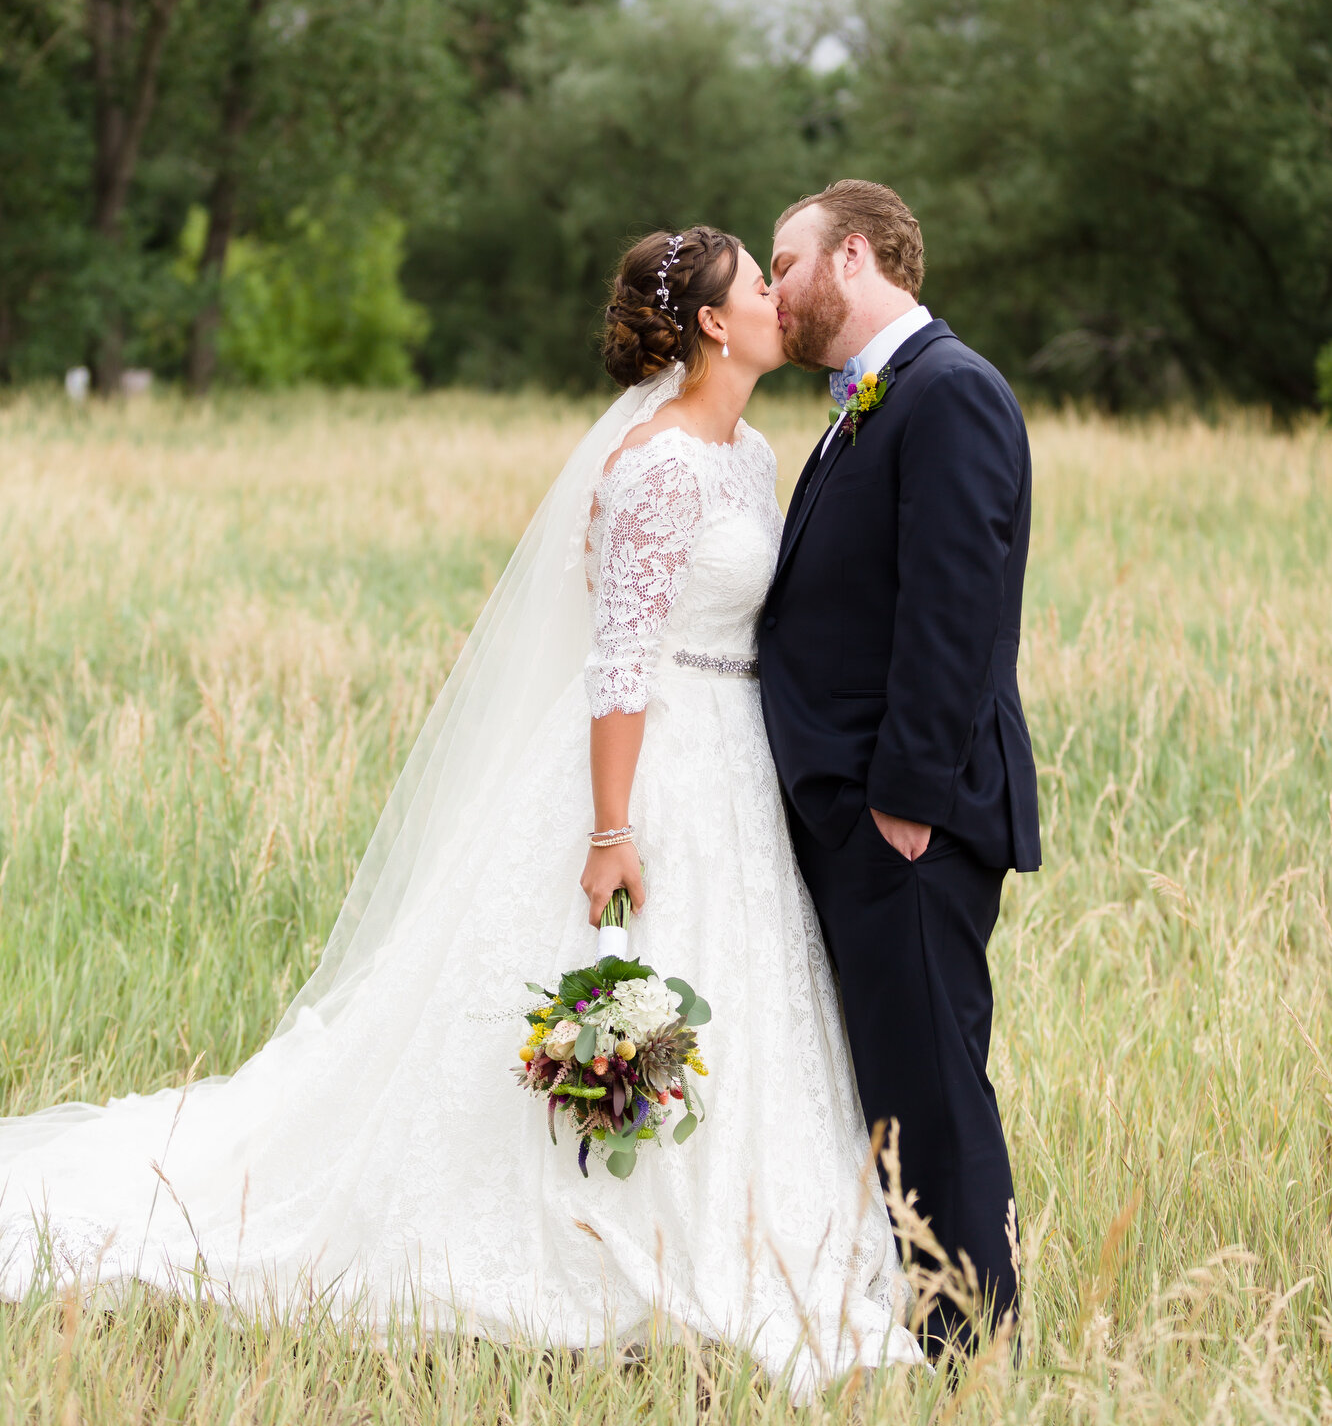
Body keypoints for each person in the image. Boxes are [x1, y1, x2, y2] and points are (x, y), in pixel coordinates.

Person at [0, 225, 919, 1393]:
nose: (777, 301)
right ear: (709, 323)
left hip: (742, 763)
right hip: (657, 765)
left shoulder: (749, 455)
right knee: (623, 965)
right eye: (756, 283)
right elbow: (620, 661)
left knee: (750, 994)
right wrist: (609, 825)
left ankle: (751, 1229)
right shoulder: (655, 465)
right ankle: (584, 1239)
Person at [761, 180, 1040, 1357]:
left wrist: (906, 801)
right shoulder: (867, 401)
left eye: (785, 261)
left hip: (905, 817)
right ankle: (913, 1312)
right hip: (855, 807)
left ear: (856, 255)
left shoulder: (952, 391)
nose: (773, 287)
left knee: (930, 1081)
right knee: (890, 1077)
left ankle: (973, 1342)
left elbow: (954, 609)